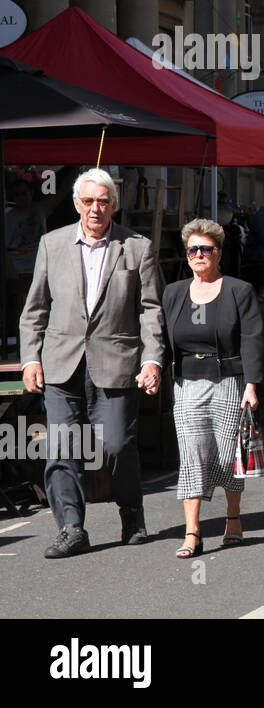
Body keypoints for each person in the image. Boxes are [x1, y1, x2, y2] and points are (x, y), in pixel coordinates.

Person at [19, 168, 166, 559]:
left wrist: (152, 360)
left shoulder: (136, 247)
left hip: (116, 364)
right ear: (76, 204)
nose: (95, 208)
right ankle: (71, 527)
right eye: (88, 201)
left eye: (103, 201)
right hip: (61, 365)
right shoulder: (52, 244)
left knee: (117, 445)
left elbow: (151, 311)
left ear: (113, 205)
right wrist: (30, 359)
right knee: (61, 449)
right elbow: (34, 310)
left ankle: (131, 512)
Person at [162, 219, 264, 557]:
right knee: (192, 455)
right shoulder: (174, 293)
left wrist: (251, 384)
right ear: (186, 254)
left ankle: (232, 517)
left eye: (206, 249)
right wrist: (151, 371)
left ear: (218, 253)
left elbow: (251, 339)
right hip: (187, 383)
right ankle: (193, 532)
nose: (199, 254)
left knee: (225, 454)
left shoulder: (239, 290)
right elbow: (163, 340)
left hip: (229, 381)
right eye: (193, 249)